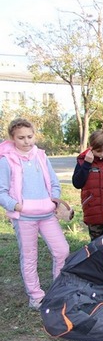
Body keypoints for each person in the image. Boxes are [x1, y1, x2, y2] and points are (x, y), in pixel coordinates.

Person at [0, 118, 70, 310]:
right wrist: (16, 206)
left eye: (30, 136)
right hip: (24, 218)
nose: (27, 141)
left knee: (62, 250)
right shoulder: (6, 160)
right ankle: (36, 296)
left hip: (47, 215)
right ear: (12, 138)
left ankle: (59, 291)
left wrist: (54, 200)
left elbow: (54, 182)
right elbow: (1, 191)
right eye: (21, 138)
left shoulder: (41, 155)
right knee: (30, 257)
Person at [72, 129, 103, 240]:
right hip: (93, 212)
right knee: (96, 245)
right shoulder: (82, 161)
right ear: (91, 147)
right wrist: (86, 164)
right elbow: (77, 183)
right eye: (99, 151)